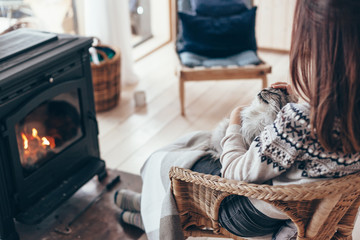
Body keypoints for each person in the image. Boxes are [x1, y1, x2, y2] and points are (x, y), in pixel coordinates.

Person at [114, 0, 360, 239]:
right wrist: (301, 99)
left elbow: (234, 173)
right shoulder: (344, 114)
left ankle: (147, 214)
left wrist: (235, 119)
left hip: (248, 213)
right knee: (197, 143)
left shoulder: (299, 122)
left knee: (172, 161)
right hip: (305, 206)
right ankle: (146, 206)